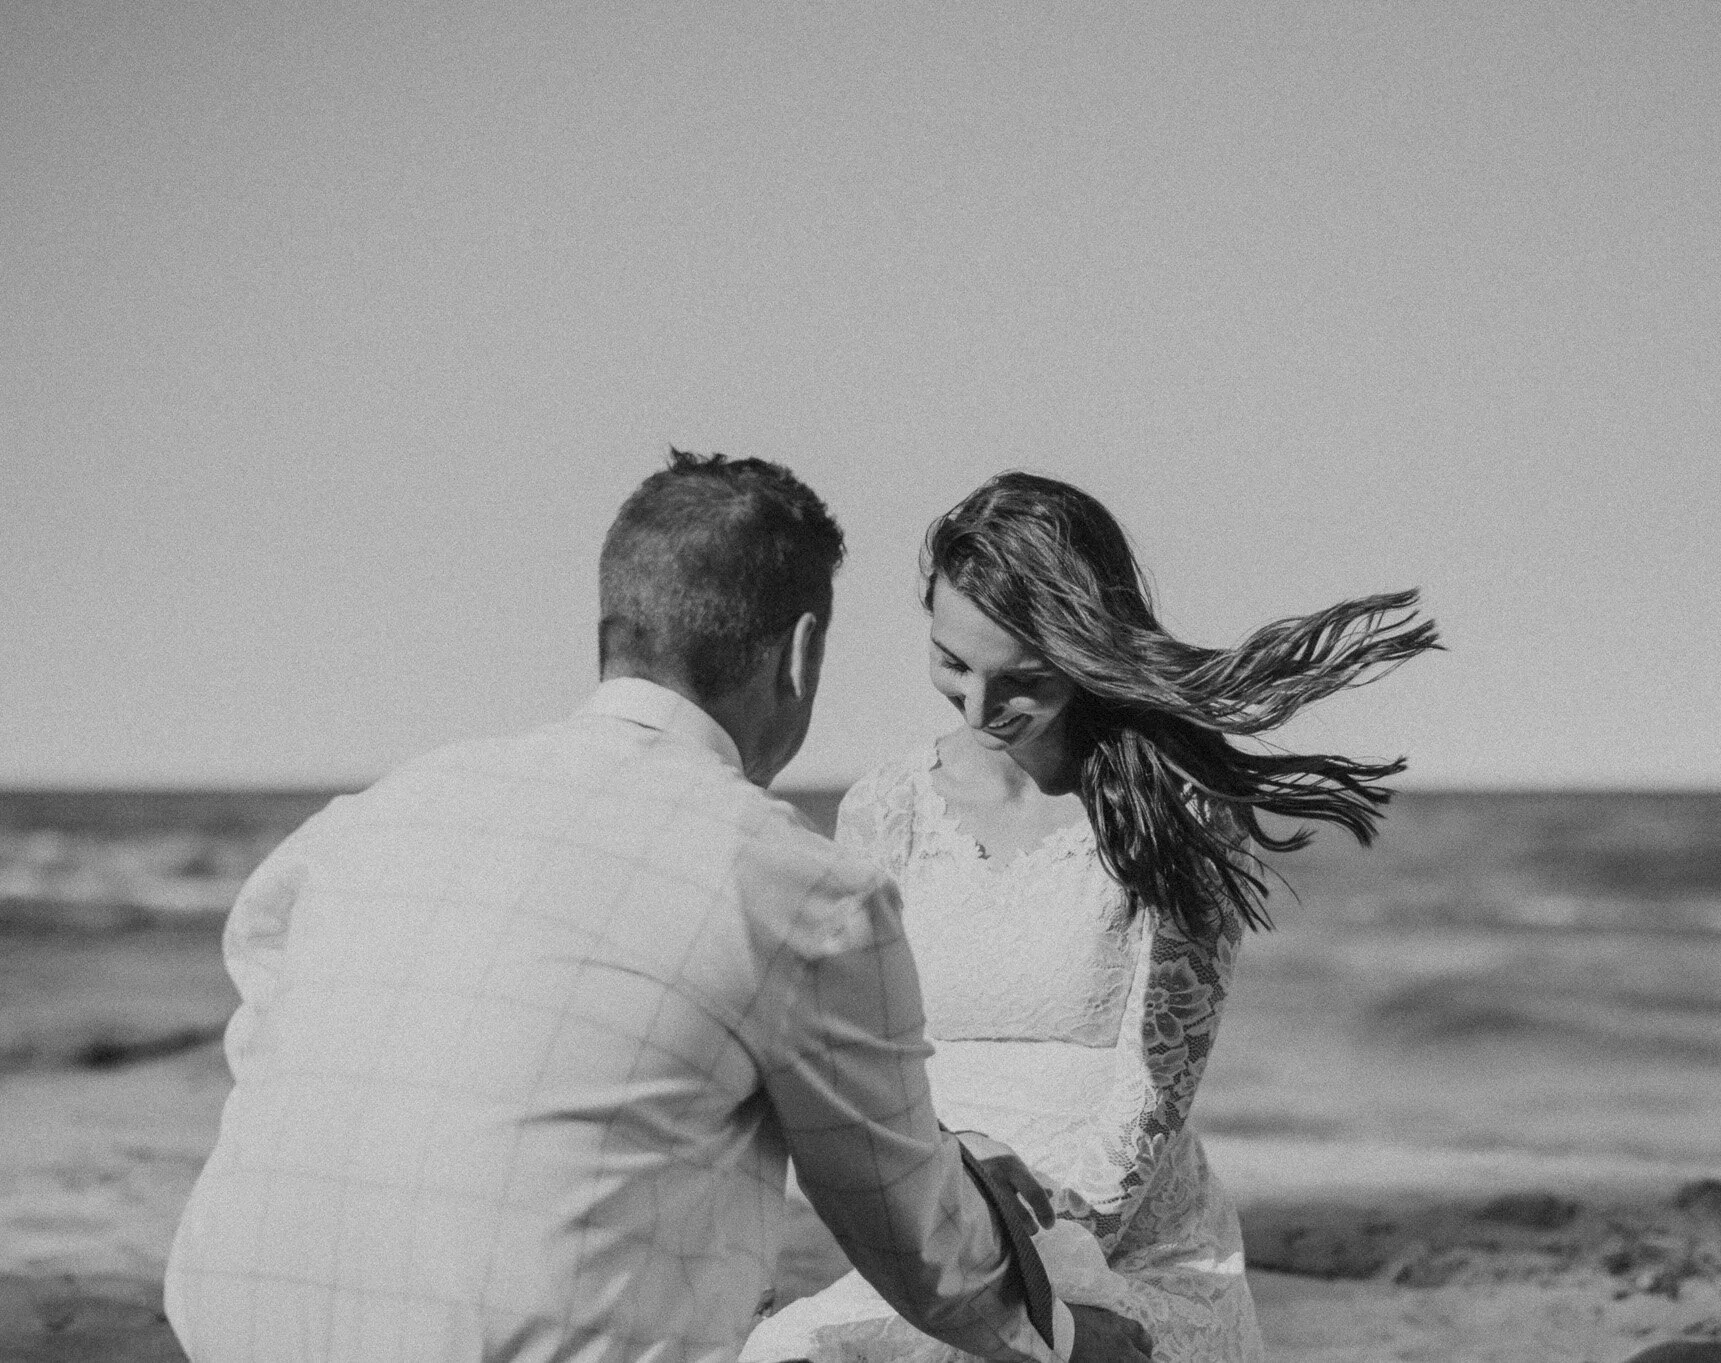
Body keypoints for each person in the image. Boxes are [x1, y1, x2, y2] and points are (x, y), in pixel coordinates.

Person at [164, 452, 1152, 1363]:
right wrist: (1074, 1333)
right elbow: (921, 1251)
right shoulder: (792, 885)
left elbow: (271, 1037)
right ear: (799, 654)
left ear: (611, 632)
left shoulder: (360, 822)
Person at [742, 472, 1439, 1363]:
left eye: (1024, 679)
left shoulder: (1173, 807)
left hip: (1120, 1231)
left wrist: (1032, 1252)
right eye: (953, 662)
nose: (982, 708)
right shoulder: (885, 809)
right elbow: (860, 1062)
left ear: (1087, 651)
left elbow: (1155, 1091)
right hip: (947, 1222)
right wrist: (942, 1214)